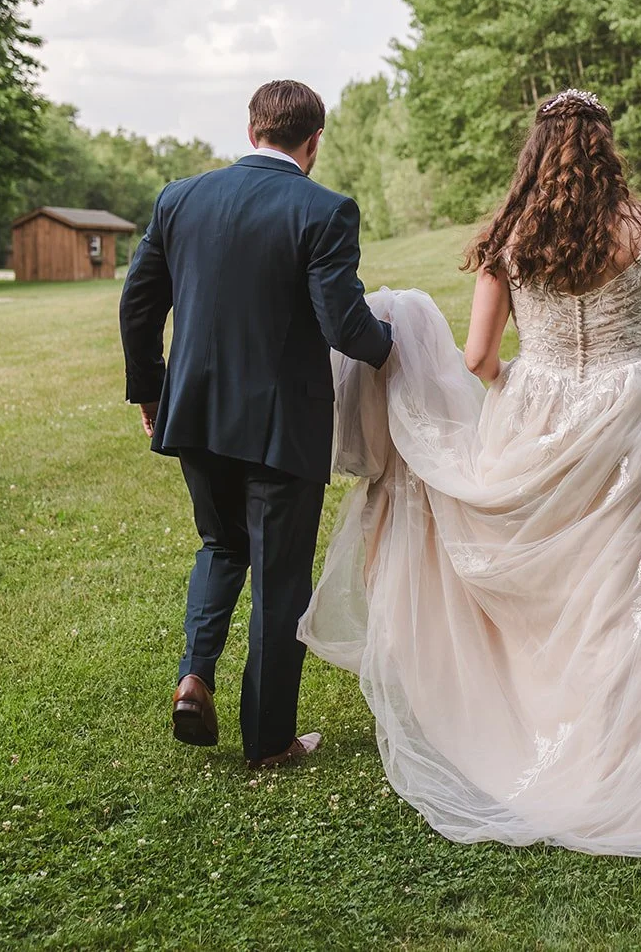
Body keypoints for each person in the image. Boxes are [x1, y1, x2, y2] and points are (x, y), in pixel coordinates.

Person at [298, 88, 641, 855]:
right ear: (606, 147)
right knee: (636, 580)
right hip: (632, 411)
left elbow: (477, 358)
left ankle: (552, 731)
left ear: (537, 151)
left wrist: (523, 390)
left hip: (540, 407)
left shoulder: (513, 235)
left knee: (556, 580)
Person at [119, 79, 391, 769]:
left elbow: (138, 303)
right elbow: (342, 323)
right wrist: (399, 348)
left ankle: (194, 673)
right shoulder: (324, 209)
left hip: (196, 412)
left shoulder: (179, 198)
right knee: (278, 575)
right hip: (280, 427)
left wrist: (152, 389)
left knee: (220, 544)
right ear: (315, 141)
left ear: (251, 132)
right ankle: (269, 740)